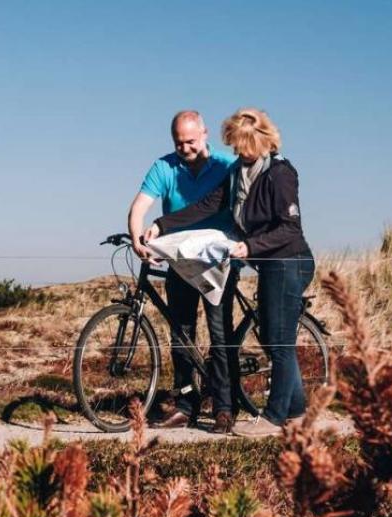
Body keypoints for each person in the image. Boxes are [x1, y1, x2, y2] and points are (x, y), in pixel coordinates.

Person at [143, 108, 314, 436]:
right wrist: (161, 224)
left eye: (240, 145)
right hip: (268, 264)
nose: (235, 151)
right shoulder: (239, 171)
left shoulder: (280, 174)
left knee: (278, 343)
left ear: (257, 141)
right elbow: (207, 205)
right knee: (272, 337)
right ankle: (297, 412)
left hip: (288, 261)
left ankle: (276, 416)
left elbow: (290, 229)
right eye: (233, 146)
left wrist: (250, 246)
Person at [125, 110, 239, 432]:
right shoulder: (164, 167)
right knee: (181, 334)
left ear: (204, 134)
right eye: (179, 143)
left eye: (190, 141)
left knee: (220, 334)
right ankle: (186, 405)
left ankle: (224, 407)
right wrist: (137, 238)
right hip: (180, 262)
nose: (185, 148)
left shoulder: (225, 166)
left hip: (218, 263)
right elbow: (139, 207)